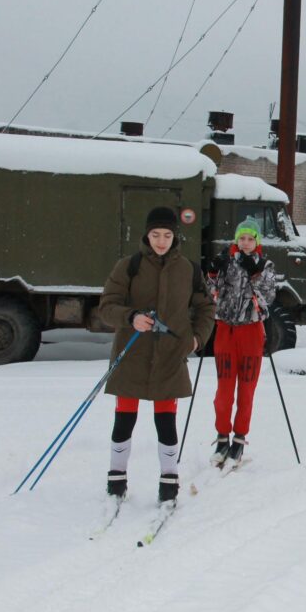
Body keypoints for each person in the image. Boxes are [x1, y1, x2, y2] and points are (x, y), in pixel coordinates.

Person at [99, 207, 215, 502]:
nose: (161, 241)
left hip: (170, 356)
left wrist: (196, 340)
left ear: (175, 236)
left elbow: (206, 309)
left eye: (167, 235)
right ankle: (116, 478)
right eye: (155, 235)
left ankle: (169, 479)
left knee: (166, 421)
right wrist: (131, 317)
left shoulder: (189, 270)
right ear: (146, 235)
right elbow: (106, 307)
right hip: (132, 354)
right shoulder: (128, 266)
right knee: (124, 418)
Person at [206, 217, 277, 468]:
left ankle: (239, 438)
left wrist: (253, 272)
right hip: (225, 329)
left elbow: (268, 300)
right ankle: (222, 437)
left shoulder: (265, 266)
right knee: (224, 392)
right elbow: (211, 292)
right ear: (236, 240)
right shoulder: (228, 261)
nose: (245, 243)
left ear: (256, 241)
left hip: (251, 331)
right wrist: (214, 271)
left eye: (250, 239)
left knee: (246, 389)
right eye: (241, 238)